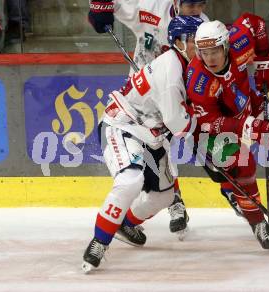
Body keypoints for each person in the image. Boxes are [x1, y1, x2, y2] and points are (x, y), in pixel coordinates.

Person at [82, 15, 203, 273]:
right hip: (123, 124)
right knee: (130, 180)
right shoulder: (172, 70)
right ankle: (98, 242)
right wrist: (202, 128)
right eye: (195, 40)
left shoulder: (187, 63)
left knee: (164, 196)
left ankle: (124, 223)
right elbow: (177, 123)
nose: (200, 46)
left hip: (151, 132)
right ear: (180, 42)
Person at [186, 14, 269, 250]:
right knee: (244, 166)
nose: (210, 58)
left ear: (225, 45)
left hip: (244, 102)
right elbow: (209, 122)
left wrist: (265, 63)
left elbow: (256, 23)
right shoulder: (199, 82)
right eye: (204, 53)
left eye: (215, 51)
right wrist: (253, 129)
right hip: (211, 133)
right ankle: (258, 224)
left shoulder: (239, 42)